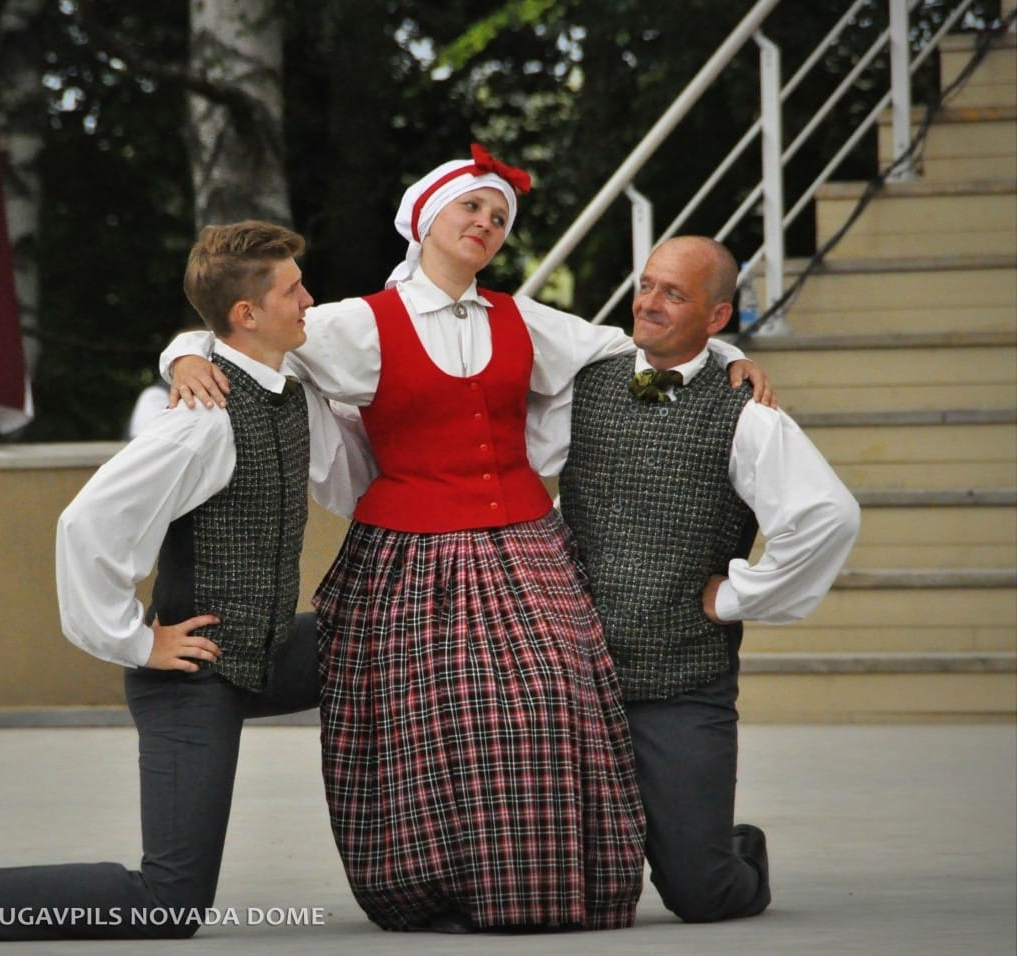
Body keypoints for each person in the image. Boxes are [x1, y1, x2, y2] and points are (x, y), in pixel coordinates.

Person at [162, 146, 774, 933]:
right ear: (425, 220)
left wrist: (728, 353)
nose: (485, 222)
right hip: (408, 551)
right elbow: (239, 330)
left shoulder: (525, 320)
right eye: (470, 208)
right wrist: (181, 354)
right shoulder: (356, 324)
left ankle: (550, 887)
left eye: (498, 215)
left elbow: (634, 350)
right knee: (425, 717)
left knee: (554, 698)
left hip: (525, 546)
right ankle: (434, 888)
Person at [0, 221, 370, 942]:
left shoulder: (287, 386)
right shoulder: (201, 425)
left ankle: (419, 852)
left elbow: (207, 345)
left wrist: (184, 350)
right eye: (294, 289)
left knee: (392, 643)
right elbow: (85, 524)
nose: (309, 299)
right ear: (247, 315)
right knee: (169, 902)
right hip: (194, 675)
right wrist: (136, 641)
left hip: (268, 648)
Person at [552, 235, 861, 923]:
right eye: (647, 284)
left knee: (701, 892)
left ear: (716, 317)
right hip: (573, 676)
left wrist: (738, 596)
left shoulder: (743, 412)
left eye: (674, 293)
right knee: (560, 891)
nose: (649, 303)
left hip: (681, 679)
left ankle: (734, 849)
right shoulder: (585, 378)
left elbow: (829, 516)